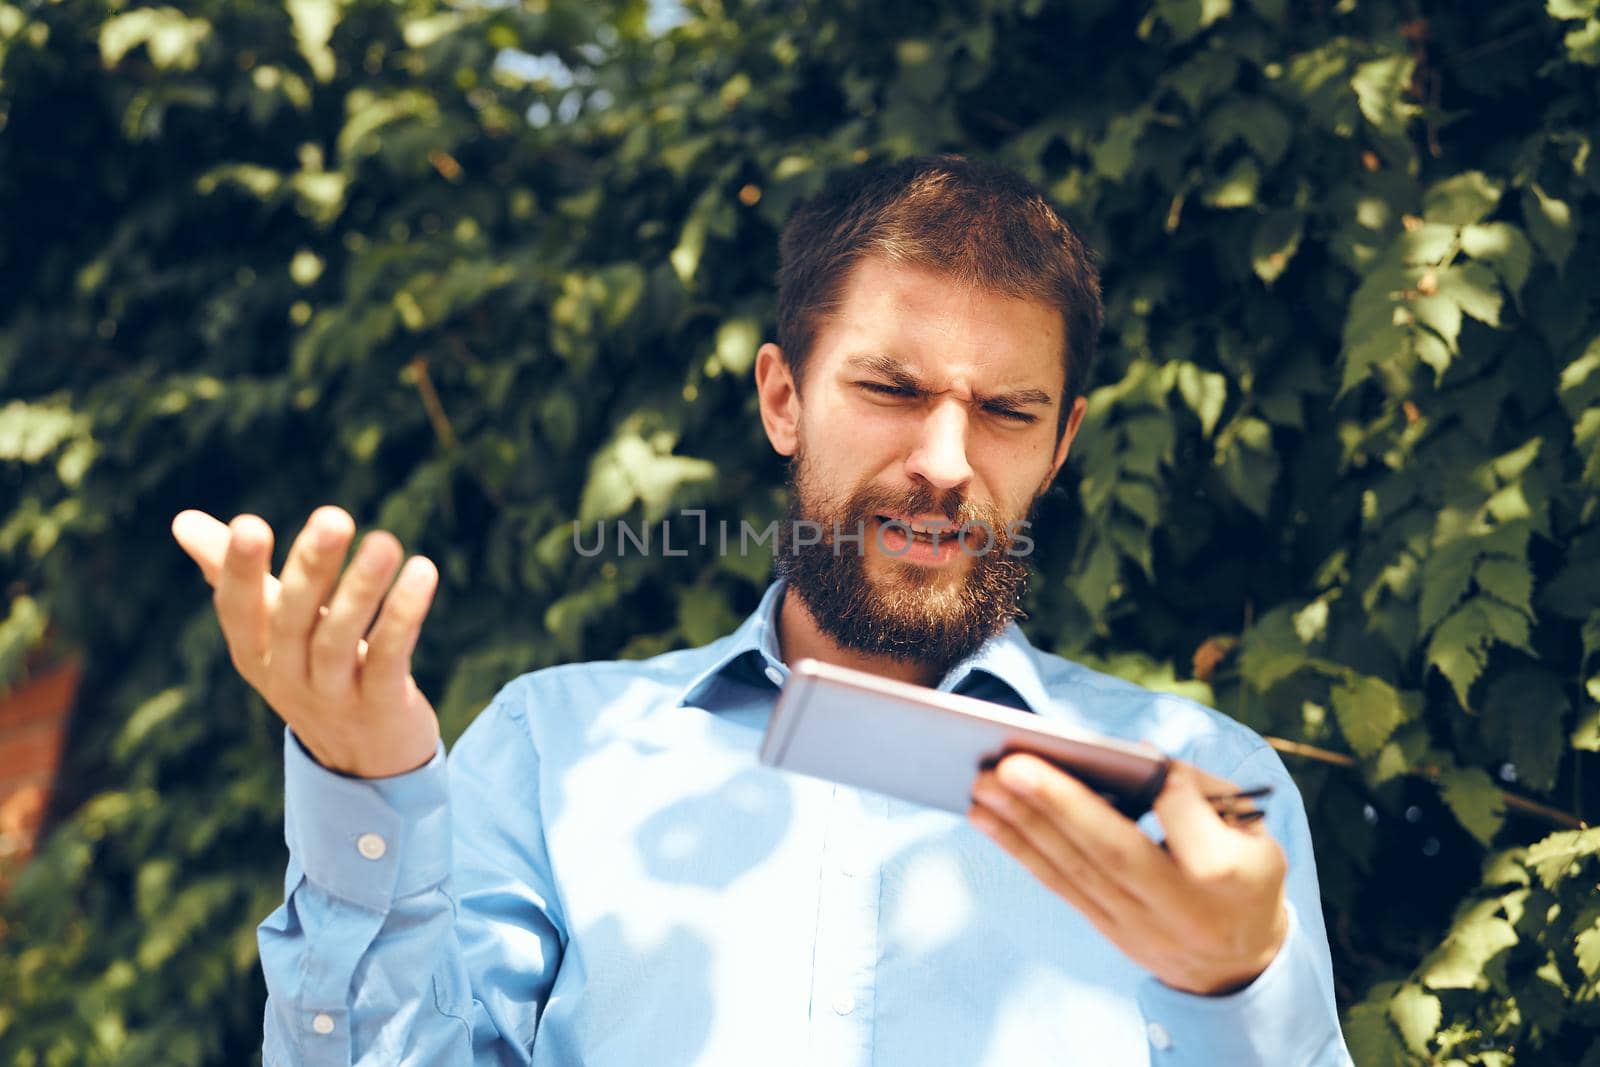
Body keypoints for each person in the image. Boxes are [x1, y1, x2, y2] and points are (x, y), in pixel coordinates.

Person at [172, 155, 1354, 1066]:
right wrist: (365, 784)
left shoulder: (1200, 784)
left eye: (1005, 410)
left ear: (1062, 444)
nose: (945, 459)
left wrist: (1235, 989)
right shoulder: (551, 747)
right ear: (783, 397)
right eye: (890, 389)